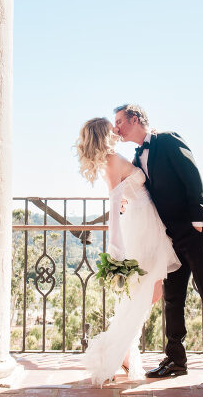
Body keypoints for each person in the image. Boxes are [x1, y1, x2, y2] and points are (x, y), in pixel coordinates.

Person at [113, 104, 203, 385]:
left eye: (119, 121)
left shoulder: (167, 140)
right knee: (172, 297)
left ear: (134, 119)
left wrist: (197, 217)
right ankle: (176, 359)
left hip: (191, 230)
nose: (116, 128)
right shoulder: (135, 155)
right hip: (167, 235)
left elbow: (191, 175)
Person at [75, 117, 181, 386]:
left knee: (152, 291)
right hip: (141, 226)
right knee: (146, 292)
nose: (116, 128)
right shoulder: (111, 161)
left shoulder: (114, 157)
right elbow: (113, 204)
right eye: (112, 126)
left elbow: (125, 192)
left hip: (147, 221)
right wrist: (116, 247)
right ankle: (115, 351)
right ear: (104, 133)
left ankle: (121, 350)